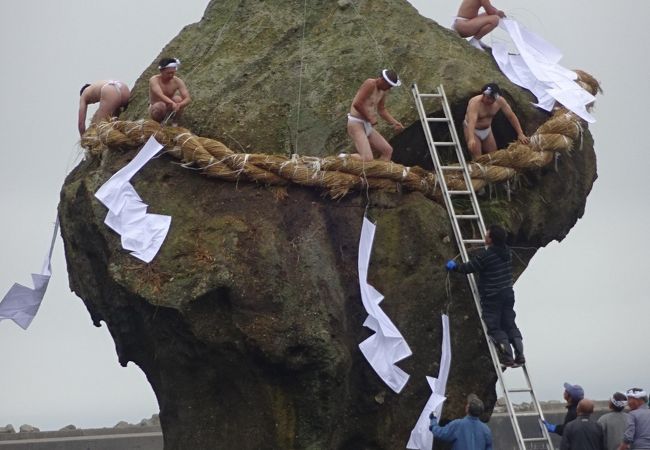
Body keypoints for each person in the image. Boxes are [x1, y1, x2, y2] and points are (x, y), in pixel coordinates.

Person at [445, 224, 524, 367]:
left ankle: (507, 357)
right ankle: (520, 355)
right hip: (508, 294)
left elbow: (469, 268)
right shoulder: (507, 252)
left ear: (492, 239)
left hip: (493, 296)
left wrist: (454, 266)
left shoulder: (487, 256)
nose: (485, 236)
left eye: (487, 235)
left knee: (495, 327)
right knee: (509, 323)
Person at [346, 69, 404, 162]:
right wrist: (370, 118)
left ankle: (376, 174)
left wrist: (395, 123)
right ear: (382, 80)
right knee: (367, 158)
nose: (389, 88)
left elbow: (382, 110)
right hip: (356, 123)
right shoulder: (370, 83)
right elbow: (357, 104)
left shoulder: (383, 91)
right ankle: (342, 158)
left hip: (367, 125)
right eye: (389, 85)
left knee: (387, 151)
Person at [463, 83, 529, 160]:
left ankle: (492, 171)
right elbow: (472, 122)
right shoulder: (475, 103)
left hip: (487, 130)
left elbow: (511, 116)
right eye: (487, 97)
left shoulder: (500, 101)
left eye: (491, 98)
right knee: (477, 158)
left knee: (494, 155)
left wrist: (520, 133)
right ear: (483, 94)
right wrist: (471, 138)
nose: (488, 100)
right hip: (473, 130)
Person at [149, 57, 191, 125]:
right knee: (160, 105)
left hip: (170, 107)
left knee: (178, 99)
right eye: (168, 73)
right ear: (161, 71)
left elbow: (188, 98)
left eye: (173, 73)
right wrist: (172, 103)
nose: (171, 75)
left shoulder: (177, 81)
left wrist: (179, 105)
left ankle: (175, 123)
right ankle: (158, 123)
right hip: (157, 107)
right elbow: (160, 94)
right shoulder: (154, 80)